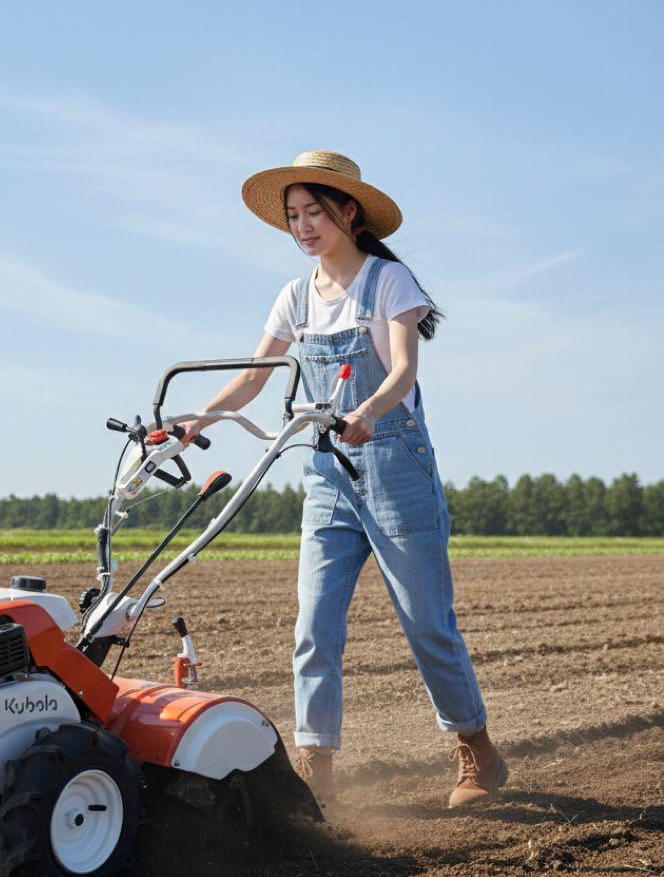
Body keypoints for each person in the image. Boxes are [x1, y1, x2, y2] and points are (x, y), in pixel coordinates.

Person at [180, 150, 506, 809]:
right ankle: (315, 774)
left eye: (314, 212)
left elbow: (404, 370)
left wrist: (366, 412)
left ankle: (476, 751)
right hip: (326, 474)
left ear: (348, 213)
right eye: (293, 215)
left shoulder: (388, 282)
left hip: (393, 466)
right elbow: (254, 374)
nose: (302, 226)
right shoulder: (294, 296)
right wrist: (199, 417)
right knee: (314, 624)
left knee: (427, 624)